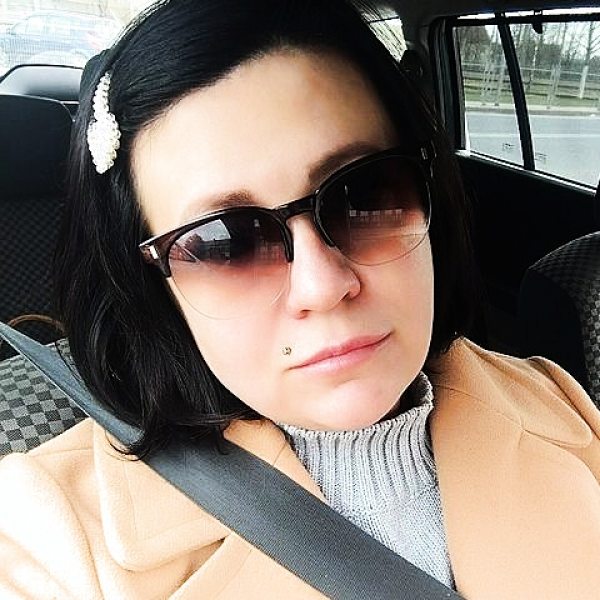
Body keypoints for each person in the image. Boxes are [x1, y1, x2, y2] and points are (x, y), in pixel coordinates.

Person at [1, 0, 599, 598]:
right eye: (226, 244)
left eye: (364, 196)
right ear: (154, 286)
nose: (324, 286)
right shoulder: (44, 538)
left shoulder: (557, 402)